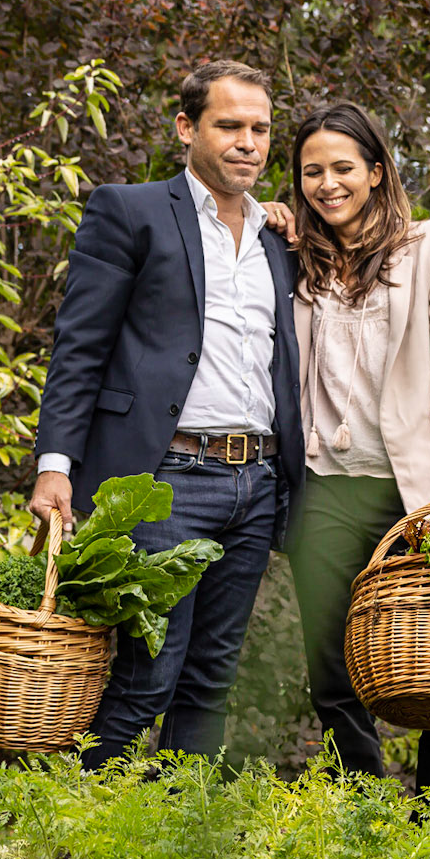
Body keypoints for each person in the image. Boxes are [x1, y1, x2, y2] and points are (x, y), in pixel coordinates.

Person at [30, 59, 305, 767]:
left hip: (256, 481)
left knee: (210, 683)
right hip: (164, 479)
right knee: (148, 673)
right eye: (230, 125)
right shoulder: (132, 211)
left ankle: (171, 841)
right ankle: (77, 829)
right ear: (187, 127)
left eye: (261, 129)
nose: (248, 142)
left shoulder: (280, 240)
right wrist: (55, 465)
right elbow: (80, 345)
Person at [281, 100, 430, 793]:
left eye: (343, 168)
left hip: (416, 487)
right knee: (330, 660)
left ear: (375, 171)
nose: (327, 184)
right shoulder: (293, 261)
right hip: (326, 486)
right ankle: (365, 800)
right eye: (312, 172)